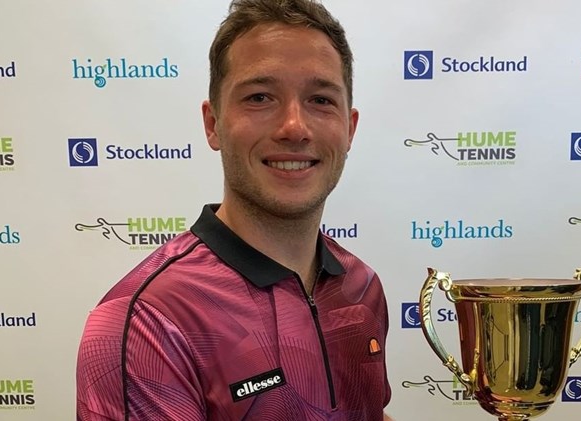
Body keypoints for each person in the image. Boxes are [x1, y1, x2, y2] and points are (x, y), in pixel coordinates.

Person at [76, 0, 393, 420]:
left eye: (320, 99)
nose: (294, 127)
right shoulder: (147, 322)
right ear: (213, 124)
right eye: (260, 97)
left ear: (349, 128)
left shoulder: (361, 286)